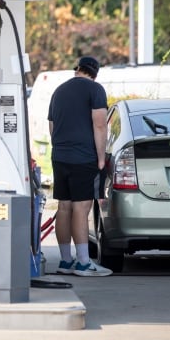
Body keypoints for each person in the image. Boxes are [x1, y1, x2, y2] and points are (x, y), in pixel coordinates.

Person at [47, 56, 112, 276]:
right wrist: (101, 158)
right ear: (95, 73)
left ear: (77, 69)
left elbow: (52, 126)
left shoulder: (59, 91)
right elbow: (100, 124)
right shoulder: (95, 90)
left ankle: (66, 261)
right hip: (84, 157)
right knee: (81, 208)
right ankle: (84, 262)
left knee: (64, 207)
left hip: (60, 157)